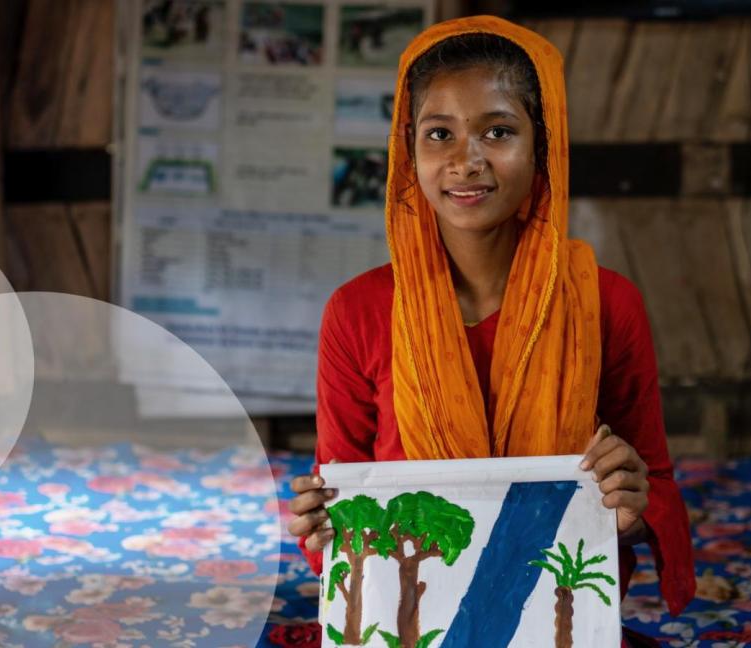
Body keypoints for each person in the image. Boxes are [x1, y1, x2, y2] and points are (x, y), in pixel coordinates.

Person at [287, 15, 696, 622]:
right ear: (408, 151)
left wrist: (631, 513)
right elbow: (337, 501)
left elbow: (651, 488)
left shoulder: (605, 303)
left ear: (542, 147)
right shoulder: (357, 312)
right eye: (439, 134)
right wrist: (318, 525)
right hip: (407, 619)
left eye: (498, 131)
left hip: (554, 621)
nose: (466, 160)